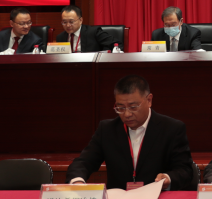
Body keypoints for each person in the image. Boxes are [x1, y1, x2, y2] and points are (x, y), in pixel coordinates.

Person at [67, 75, 196, 190]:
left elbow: (185, 170)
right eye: (120, 108)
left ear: (149, 100)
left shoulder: (172, 129)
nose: (127, 114)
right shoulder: (107, 130)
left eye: (133, 107)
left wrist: (168, 178)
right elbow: (83, 162)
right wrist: (77, 181)